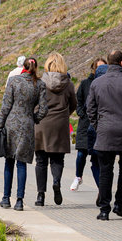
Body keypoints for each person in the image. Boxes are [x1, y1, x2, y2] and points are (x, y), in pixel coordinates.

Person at [86, 50, 122, 220]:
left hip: (105, 130)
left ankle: (104, 209)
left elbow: (90, 108)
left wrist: (98, 125)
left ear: (109, 63)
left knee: (105, 170)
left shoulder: (97, 83)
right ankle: (119, 203)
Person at [0, 57, 49, 211]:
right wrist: (34, 118)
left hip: (11, 124)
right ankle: (19, 201)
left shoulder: (13, 81)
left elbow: (6, 106)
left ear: (23, 67)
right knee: (22, 163)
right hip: (27, 126)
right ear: (36, 67)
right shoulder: (39, 84)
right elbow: (44, 109)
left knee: (9, 162)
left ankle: (6, 198)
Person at [34, 52, 77, 207]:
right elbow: (73, 103)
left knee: (41, 161)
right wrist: (64, 115)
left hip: (42, 124)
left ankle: (40, 195)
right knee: (57, 159)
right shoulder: (68, 84)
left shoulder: (39, 83)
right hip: (60, 124)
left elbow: (33, 102)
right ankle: (57, 182)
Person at [71, 58, 104, 190]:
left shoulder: (106, 83)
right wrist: (81, 113)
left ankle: (101, 187)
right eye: (99, 67)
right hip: (85, 124)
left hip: (99, 125)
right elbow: (78, 100)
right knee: (81, 154)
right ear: (94, 68)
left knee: (97, 158)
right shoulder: (85, 84)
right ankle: (78, 176)